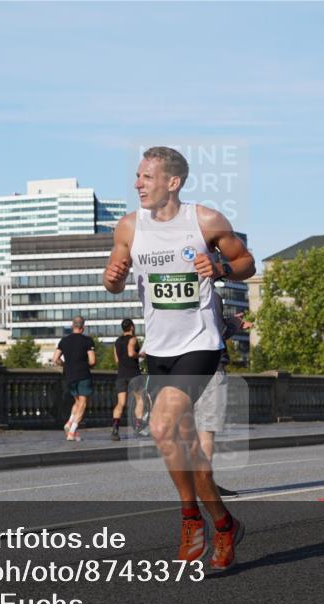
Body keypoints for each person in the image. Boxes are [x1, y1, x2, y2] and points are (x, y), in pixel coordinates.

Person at [103, 146, 256, 570]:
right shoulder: (129, 226)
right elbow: (113, 279)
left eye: (146, 177)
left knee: (159, 425)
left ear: (172, 182)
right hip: (159, 350)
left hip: (200, 345)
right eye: (137, 176)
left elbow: (246, 261)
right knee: (195, 462)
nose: (138, 184)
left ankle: (191, 520)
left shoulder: (204, 220)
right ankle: (224, 524)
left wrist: (222, 269)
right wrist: (112, 278)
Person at [195, 298, 254, 497]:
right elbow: (217, 332)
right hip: (211, 367)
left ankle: (191, 482)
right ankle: (205, 484)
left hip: (183, 368)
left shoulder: (181, 291)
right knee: (206, 429)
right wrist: (235, 323)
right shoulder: (210, 294)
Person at [52, 316, 96, 442]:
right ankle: (72, 431)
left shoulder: (64, 341)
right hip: (83, 374)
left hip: (69, 375)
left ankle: (69, 423)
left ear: (72, 326)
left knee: (77, 401)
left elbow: (55, 359)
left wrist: (65, 365)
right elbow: (92, 361)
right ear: (83, 327)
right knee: (83, 403)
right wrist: (86, 365)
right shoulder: (87, 341)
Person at [111, 318, 144, 441]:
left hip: (121, 375)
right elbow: (131, 353)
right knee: (139, 400)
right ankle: (138, 428)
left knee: (121, 403)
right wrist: (140, 355)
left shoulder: (117, 341)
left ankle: (115, 429)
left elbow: (116, 360)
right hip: (133, 374)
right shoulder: (133, 339)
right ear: (132, 327)